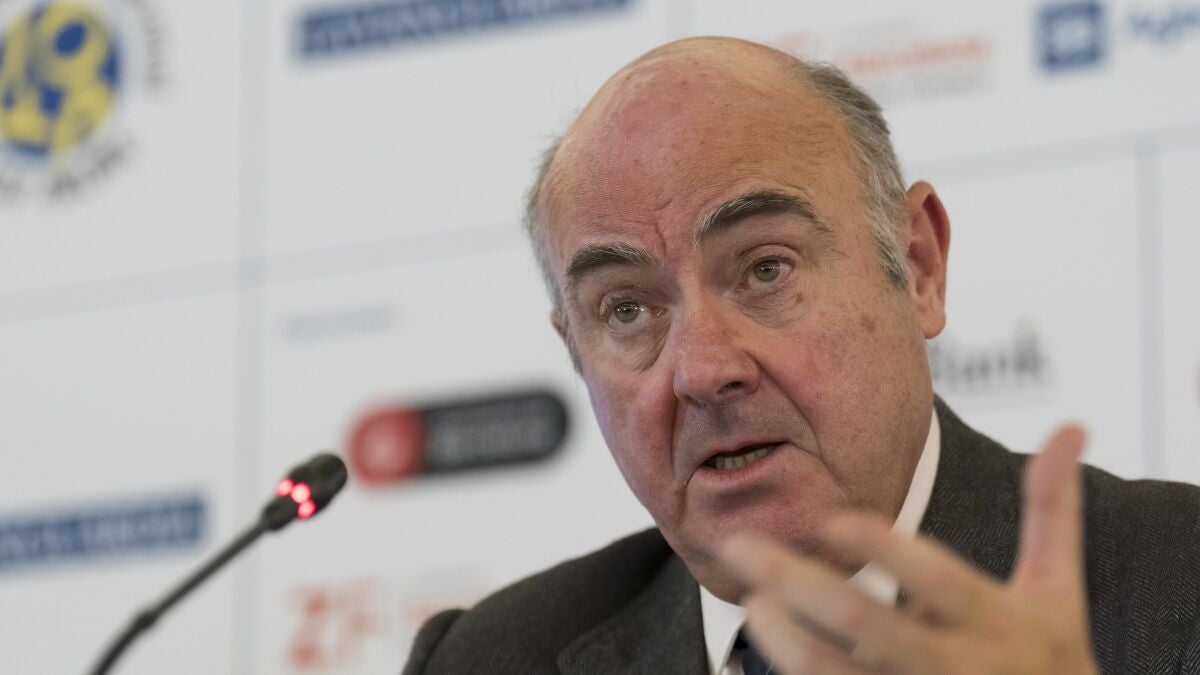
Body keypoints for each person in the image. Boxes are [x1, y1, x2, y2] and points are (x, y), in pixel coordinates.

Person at [402, 37, 1200, 674]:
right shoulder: (491, 657)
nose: (703, 369)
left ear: (917, 265)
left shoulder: (1178, 584)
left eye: (765, 269)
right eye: (628, 309)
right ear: (576, 353)